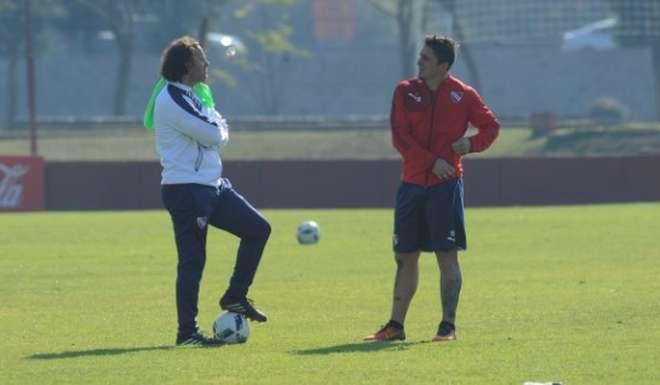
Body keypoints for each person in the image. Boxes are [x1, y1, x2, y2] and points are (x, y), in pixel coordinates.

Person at [364, 35, 500, 342]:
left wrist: (471, 144)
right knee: (404, 256)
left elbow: (492, 127)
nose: (419, 62)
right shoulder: (405, 91)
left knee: (446, 256)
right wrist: (431, 162)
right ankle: (395, 326)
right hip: (411, 186)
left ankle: (447, 327)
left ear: (443, 65)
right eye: (420, 56)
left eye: (425, 58)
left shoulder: (463, 95)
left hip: (446, 188)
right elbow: (400, 137)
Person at [153, 36, 271, 346]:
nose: (208, 65)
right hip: (187, 191)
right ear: (188, 66)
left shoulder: (190, 95)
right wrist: (217, 120)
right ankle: (187, 333)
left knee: (258, 229)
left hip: (211, 187)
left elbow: (212, 131)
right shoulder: (172, 99)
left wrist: (213, 119)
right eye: (203, 59)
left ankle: (235, 295)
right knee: (192, 260)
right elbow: (214, 134)